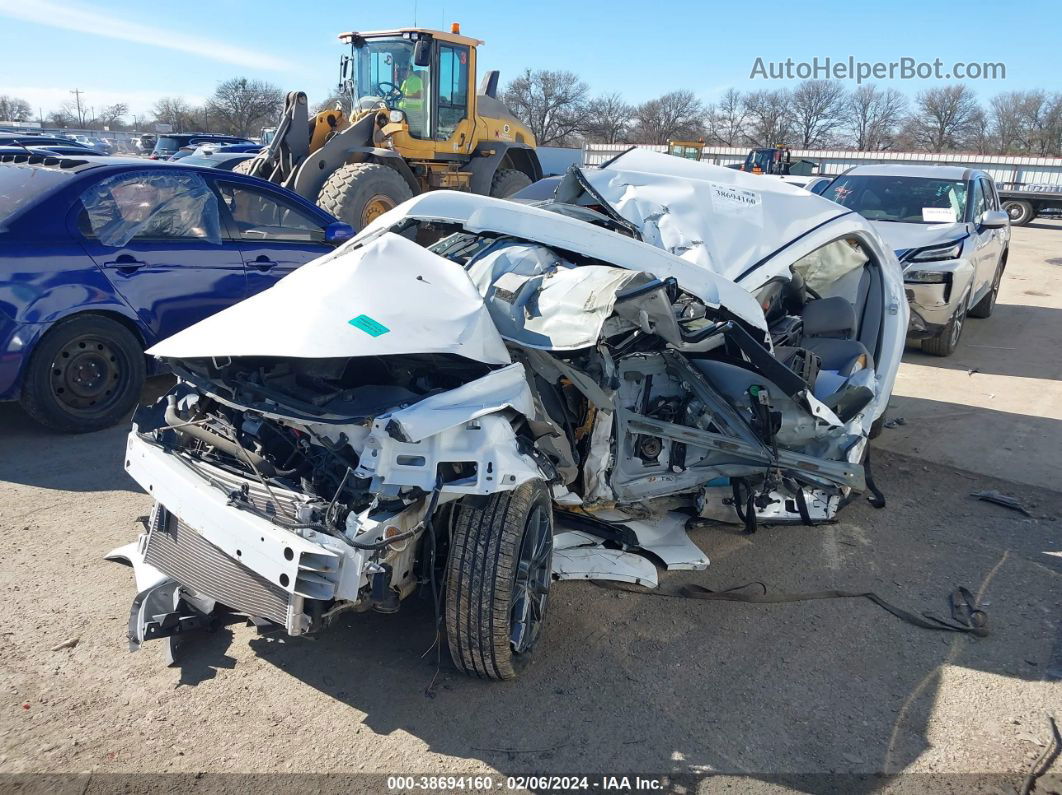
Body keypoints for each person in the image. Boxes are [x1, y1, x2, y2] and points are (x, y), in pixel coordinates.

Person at [396, 61, 427, 138]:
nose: (401, 72)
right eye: (401, 70)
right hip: (404, 111)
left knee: (413, 135)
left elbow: (420, 95)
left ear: (410, 70)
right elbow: (401, 95)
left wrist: (403, 96)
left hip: (414, 112)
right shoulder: (405, 81)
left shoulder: (416, 80)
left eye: (404, 70)